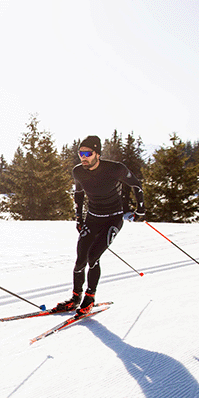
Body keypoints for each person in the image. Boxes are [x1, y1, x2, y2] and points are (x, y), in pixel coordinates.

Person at [53, 135, 145, 315]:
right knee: (80, 260)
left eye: (88, 153)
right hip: (92, 218)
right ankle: (75, 298)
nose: (83, 157)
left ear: (98, 154)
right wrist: (79, 218)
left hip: (113, 219)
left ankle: (89, 298)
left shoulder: (115, 169)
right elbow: (78, 194)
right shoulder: (78, 171)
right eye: (80, 153)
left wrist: (140, 209)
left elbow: (136, 184)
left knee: (93, 257)